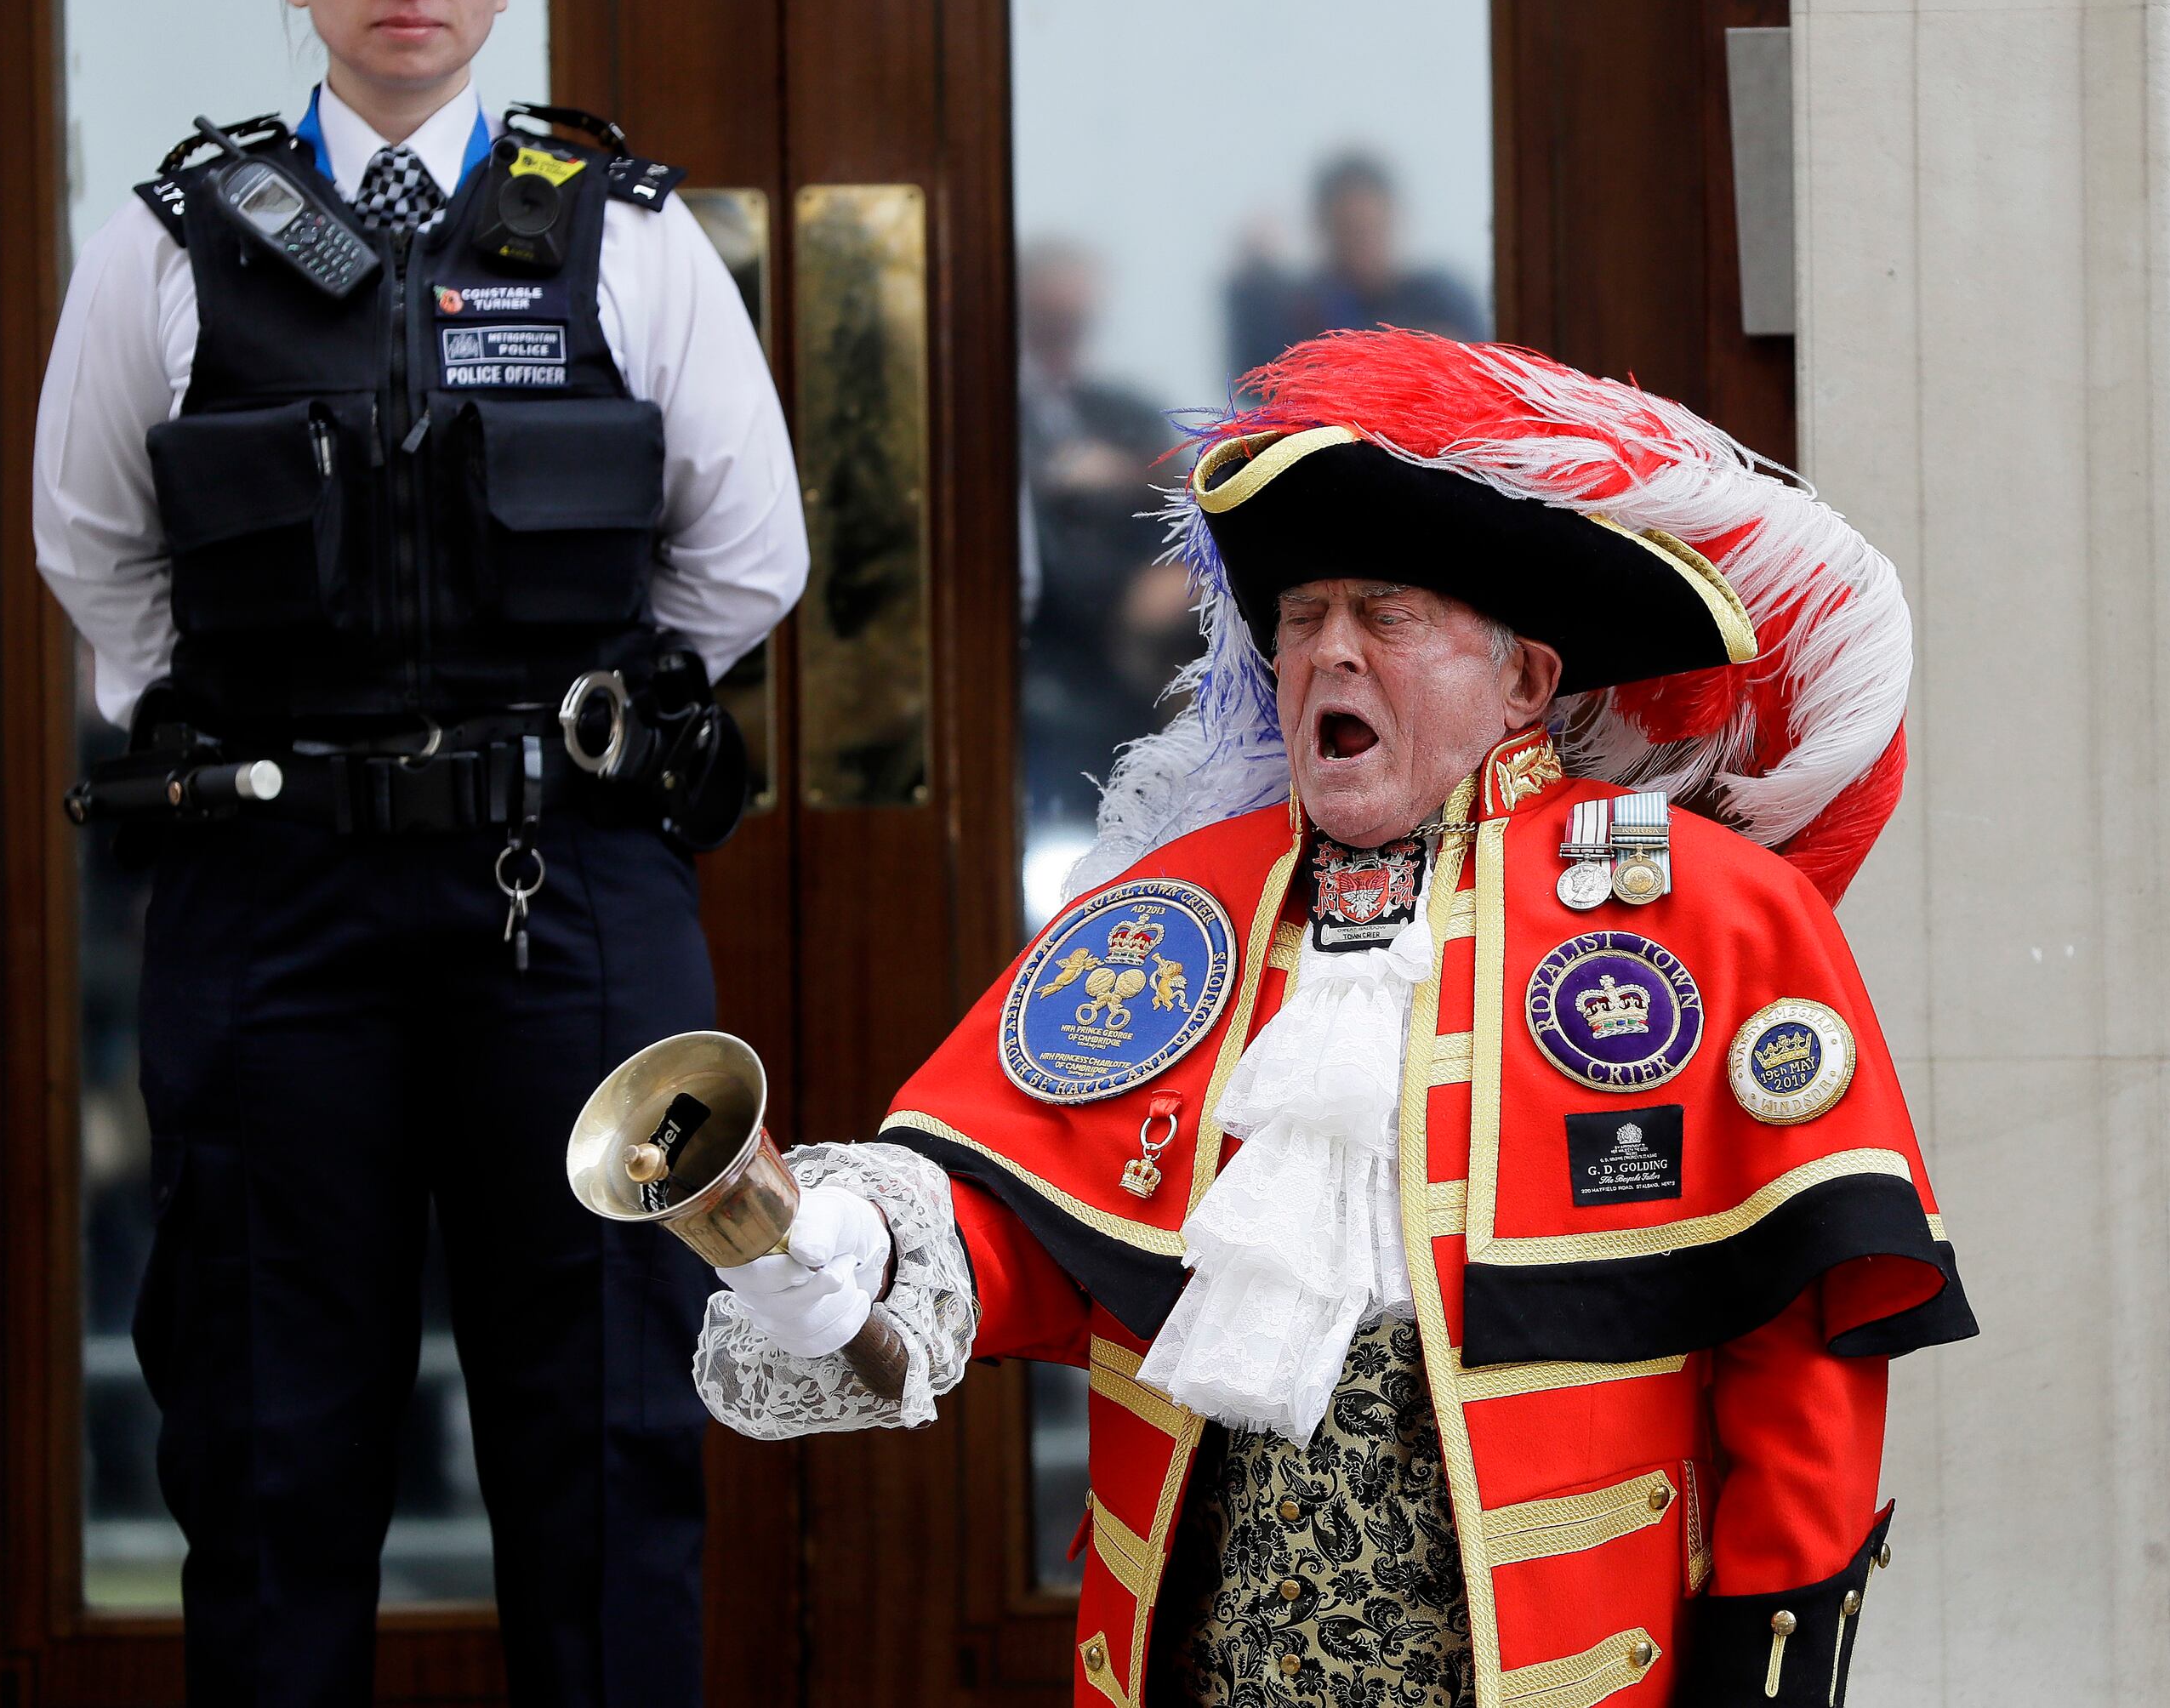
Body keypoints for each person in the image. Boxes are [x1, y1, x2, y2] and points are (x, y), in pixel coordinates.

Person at [692, 328, 1966, 1706]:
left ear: (1525, 679)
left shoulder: (1712, 914)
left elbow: (1801, 1344)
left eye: (1386, 612)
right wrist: (858, 1239)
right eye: (1301, 618)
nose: (1327, 652)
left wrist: (1764, 1672)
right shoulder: (1174, 915)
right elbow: (1033, 1205)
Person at [31, 0, 806, 1708]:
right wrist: (285, 744)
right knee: (272, 1443)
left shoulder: (622, 232)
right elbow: (96, 555)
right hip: (274, 901)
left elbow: (748, 557)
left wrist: (560, 739)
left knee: (611, 1433)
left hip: (570, 902)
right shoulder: (168, 243)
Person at [1017, 237, 1199, 837]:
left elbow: (1191, 490)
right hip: (1049, 680)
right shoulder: (1002, 415)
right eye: (1054, 320)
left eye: (1079, 321)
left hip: (1143, 679)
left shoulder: (1120, 408)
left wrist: (1180, 575)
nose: (1068, 337)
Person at [1223, 150, 1485, 384]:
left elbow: (1480, 368)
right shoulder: (1304, 308)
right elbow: (1256, 376)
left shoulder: (1438, 297)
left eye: (1371, 229)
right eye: (1349, 231)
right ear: (1324, 229)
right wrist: (1251, 280)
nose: (1363, 244)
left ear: (1393, 219)